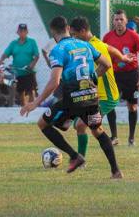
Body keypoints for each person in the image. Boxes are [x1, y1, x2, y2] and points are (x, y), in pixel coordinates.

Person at [20, 16, 122, 178]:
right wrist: (92, 78)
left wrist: (35, 102)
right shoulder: (85, 45)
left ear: (53, 32)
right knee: (98, 131)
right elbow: (107, 64)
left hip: (72, 99)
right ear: (68, 28)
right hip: (91, 96)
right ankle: (116, 171)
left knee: (43, 124)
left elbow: (55, 81)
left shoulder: (58, 50)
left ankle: (75, 156)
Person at [70, 16, 134, 157]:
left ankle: (80, 160)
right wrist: (122, 57)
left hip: (107, 97)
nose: (73, 39)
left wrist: (89, 78)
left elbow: (106, 65)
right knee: (82, 125)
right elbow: (109, 48)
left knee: (81, 125)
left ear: (82, 31)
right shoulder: (95, 43)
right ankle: (109, 146)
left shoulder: (93, 46)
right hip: (95, 96)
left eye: (74, 35)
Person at [103, 10, 139, 146]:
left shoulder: (134, 36)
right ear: (113, 22)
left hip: (131, 75)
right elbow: (102, 56)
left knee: (133, 107)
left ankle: (131, 138)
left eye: (121, 20)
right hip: (114, 75)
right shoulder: (107, 38)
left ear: (126, 21)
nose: (118, 22)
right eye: (116, 19)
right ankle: (114, 137)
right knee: (111, 104)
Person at [0, 23, 39, 106]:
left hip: (29, 72)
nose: (22, 32)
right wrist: (1, 60)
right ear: (17, 32)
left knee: (31, 92)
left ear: (27, 32)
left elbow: (37, 56)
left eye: (24, 31)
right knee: (21, 94)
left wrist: (32, 65)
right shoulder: (13, 43)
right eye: (20, 31)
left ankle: (33, 109)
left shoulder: (32, 42)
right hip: (18, 73)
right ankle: (23, 110)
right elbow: (6, 53)